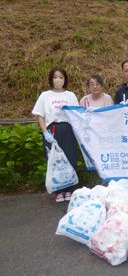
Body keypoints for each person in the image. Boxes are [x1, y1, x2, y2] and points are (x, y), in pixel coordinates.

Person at [32, 67, 79, 203]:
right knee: (54, 160)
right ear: (51, 79)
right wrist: (45, 132)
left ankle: (70, 189)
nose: (58, 80)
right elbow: (40, 116)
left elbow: (76, 114)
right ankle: (58, 190)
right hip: (52, 129)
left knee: (70, 157)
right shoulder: (45, 95)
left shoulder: (70, 95)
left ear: (65, 79)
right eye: (55, 77)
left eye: (61, 77)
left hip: (68, 128)